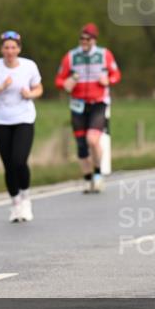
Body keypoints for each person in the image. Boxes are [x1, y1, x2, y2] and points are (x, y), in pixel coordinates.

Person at [0, 30, 43, 221]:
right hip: (0, 121)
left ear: (19, 49)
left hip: (24, 118)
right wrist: (0, 88)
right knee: (8, 165)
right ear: (1, 49)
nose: (10, 51)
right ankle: (15, 203)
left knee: (19, 161)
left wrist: (30, 94)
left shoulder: (29, 66)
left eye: (13, 47)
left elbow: (39, 88)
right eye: (6, 47)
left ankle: (26, 198)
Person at [54, 23, 121, 193]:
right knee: (82, 145)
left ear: (94, 40)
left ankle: (98, 174)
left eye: (87, 39)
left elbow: (116, 75)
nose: (84, 41)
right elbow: (59, 80)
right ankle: (87, 178)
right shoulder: (70, 56)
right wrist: (66, 83)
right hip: (77, 104)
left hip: (98, 102)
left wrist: (109, 81)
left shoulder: (104, 54)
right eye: (81, 38)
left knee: (93, 139)